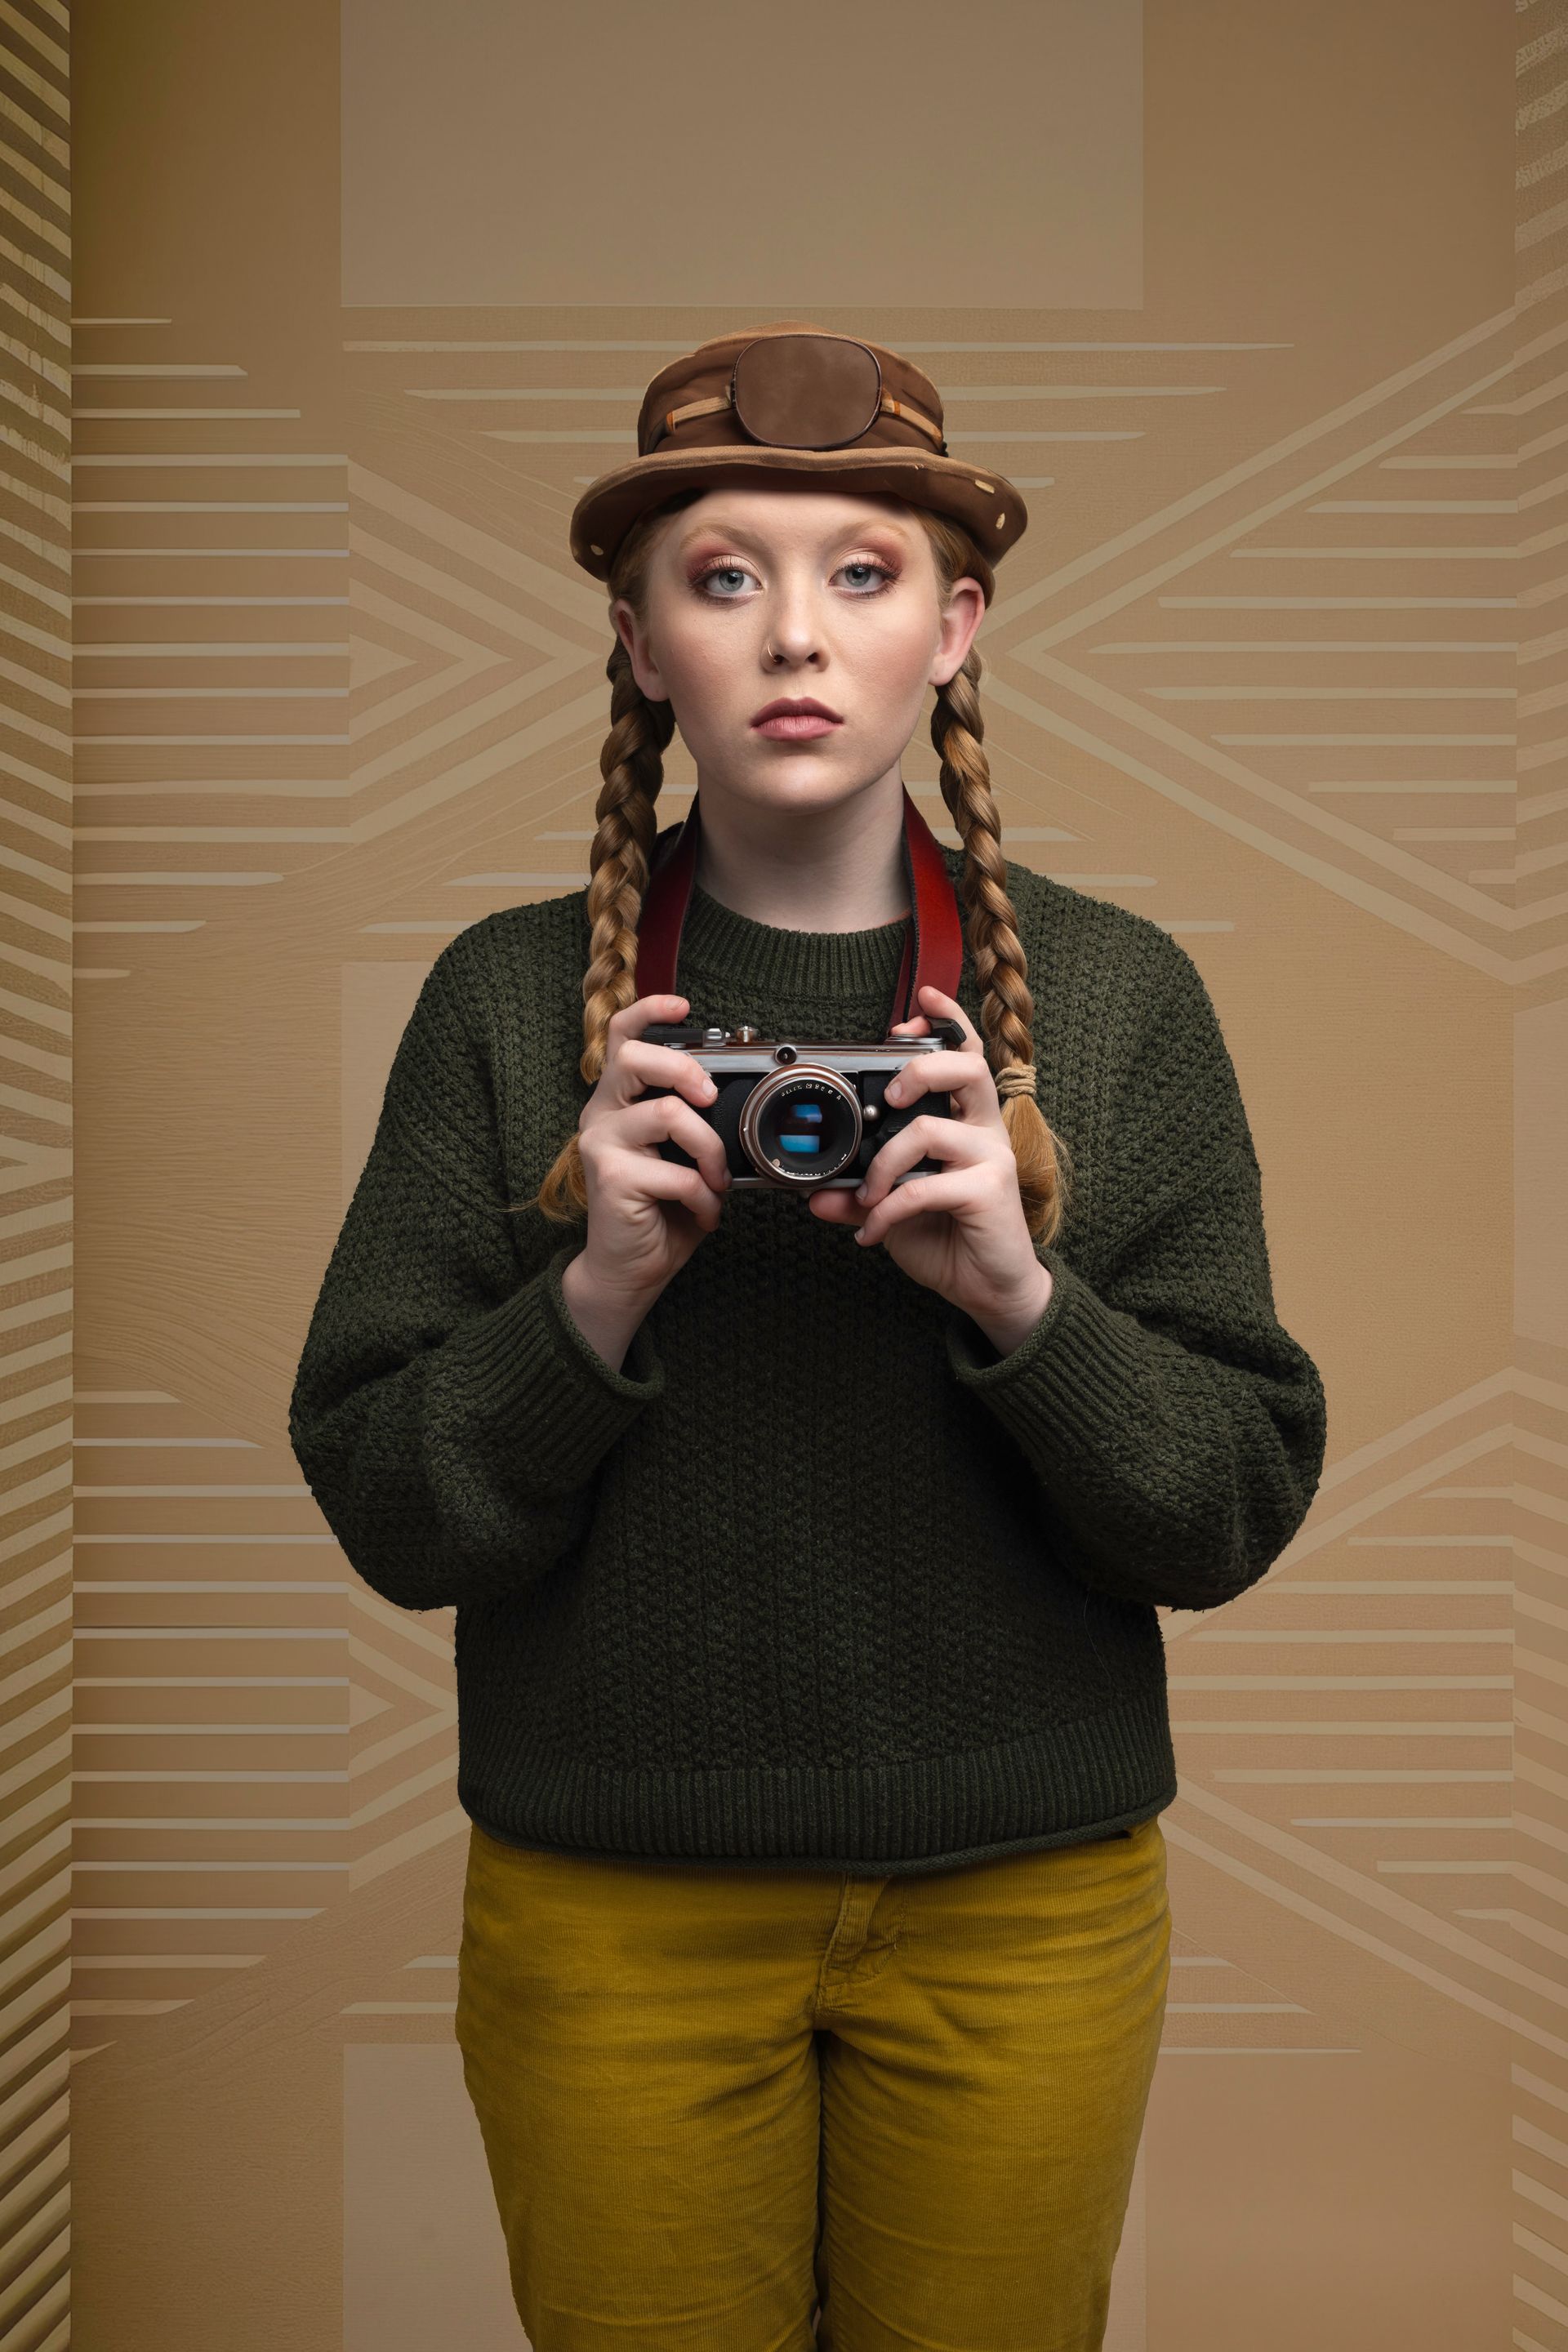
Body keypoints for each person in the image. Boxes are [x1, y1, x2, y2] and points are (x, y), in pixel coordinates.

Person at [288, 322, 1329, 2352]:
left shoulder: (1115, 1002)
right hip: (613, 1901)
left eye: (862, 573)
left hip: (1027, 1899)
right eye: (723, 574)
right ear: (638, 634)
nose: (795, 635)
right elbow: (394, 1510)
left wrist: (1020, 1305)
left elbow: (1224, 1510)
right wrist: (593, 1288)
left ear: (956, 632)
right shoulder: (510, 1004)